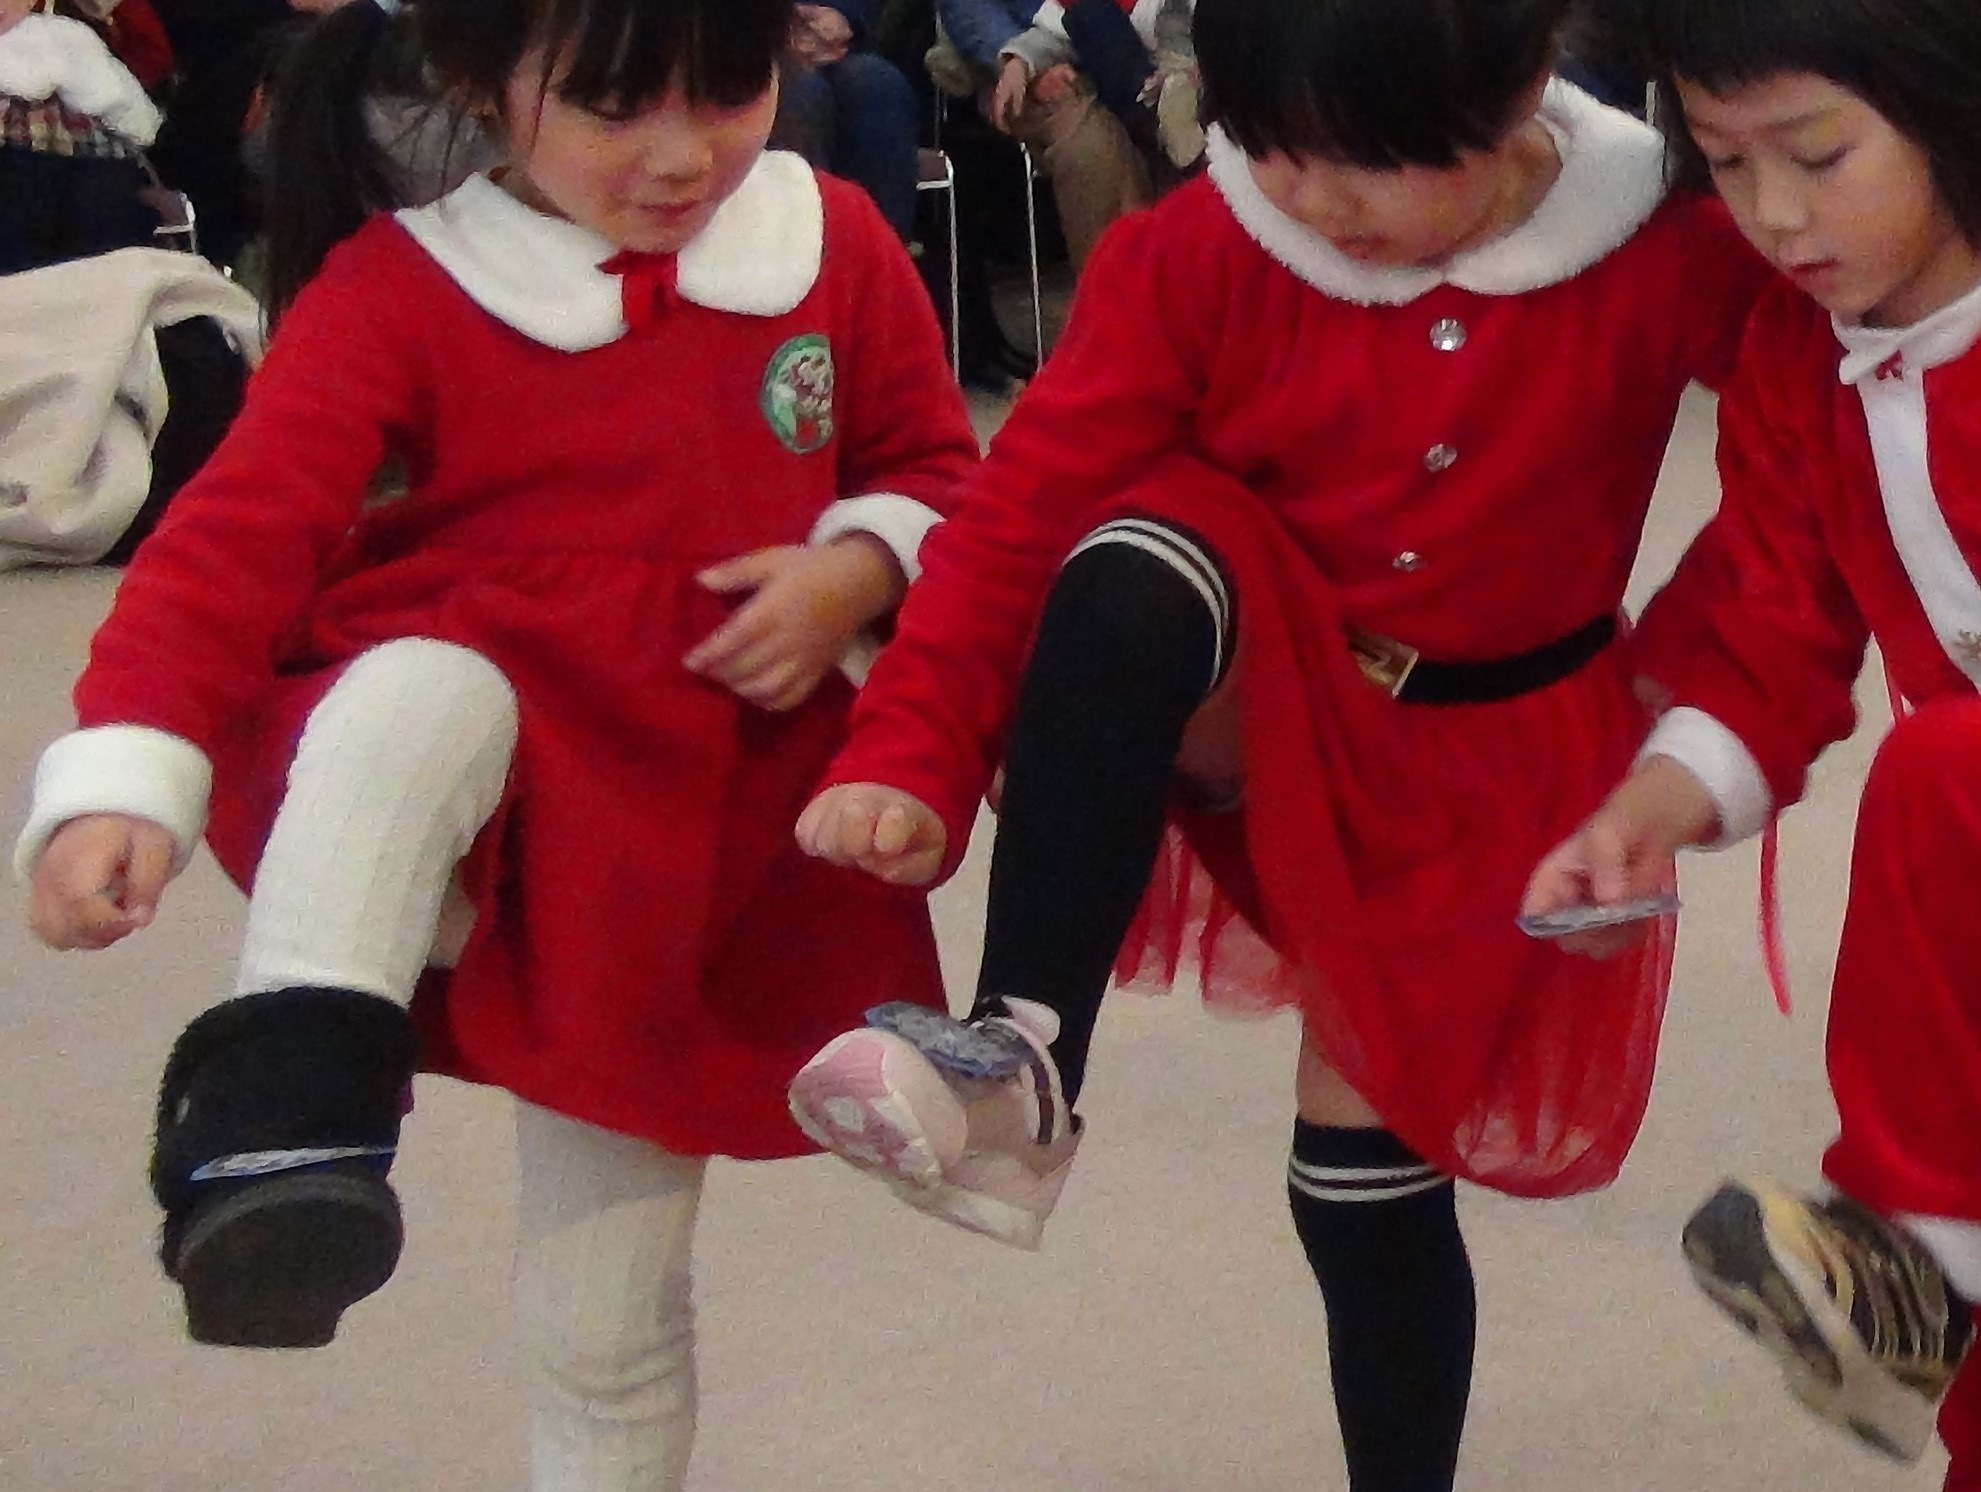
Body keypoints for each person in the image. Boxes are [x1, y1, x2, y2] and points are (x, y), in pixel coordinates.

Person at [782, 0, 1775, 1485]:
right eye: (1269, 148)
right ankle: (1020, 1051)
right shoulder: (1201, 249)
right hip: (1271, 692)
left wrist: (1676, 713)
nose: (1308, 199)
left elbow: (1816, 469)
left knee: (1359, 1186)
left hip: (1496, 765)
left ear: (1519, 94)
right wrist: (907, 746)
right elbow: (1016, 510)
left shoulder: (1659, 249)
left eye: (1361, 161)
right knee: (1135, 552)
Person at [13, 0, 976, 1487]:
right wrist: (125, 769)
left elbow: (938, 473)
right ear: (476, 81)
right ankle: (289, 1105)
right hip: (463, 791)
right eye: (613, 108)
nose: (681, 156)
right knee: (425, 686)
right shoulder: (401, 285)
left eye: (727, 90)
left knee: (607, 1316)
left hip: (670, 851)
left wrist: (857, 569)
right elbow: (236, 540)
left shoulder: (827, 241)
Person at [1521, 0, 1981, 1480]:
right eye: (1725, 163)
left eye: (1817, 154)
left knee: (1945, 764)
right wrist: (1650, 806)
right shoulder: (1799, 359)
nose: (1773, 215)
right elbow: (1770, 618)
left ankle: (1920, 1258)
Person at [772, 0, 922, 241]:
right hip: (748, 45)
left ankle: (884, 252)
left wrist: (844, 16)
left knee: (877, 85)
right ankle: (800, 249)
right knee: (803, 94)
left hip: (833, 44)